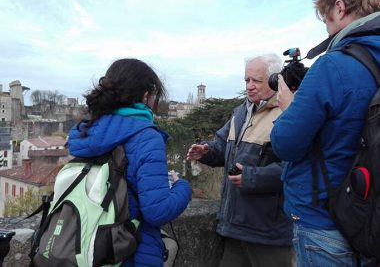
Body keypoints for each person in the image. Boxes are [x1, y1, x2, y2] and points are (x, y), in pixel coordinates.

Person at [271, 0, 380, 266]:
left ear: (340, 8)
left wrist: (289, 106)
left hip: (326, 220)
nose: (327, 31)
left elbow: (286, 144)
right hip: (372, 216)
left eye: (327, 20)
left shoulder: (334, 66)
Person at [67, 58, 192, 267]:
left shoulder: (85, 131)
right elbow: (157, 211)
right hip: (129, 252)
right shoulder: (145, 136)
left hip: (85, 247)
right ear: (146, 95)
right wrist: (182, 187)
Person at [186, 54, 294, 267]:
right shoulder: (240, 113)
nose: (250, 86)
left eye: (256, 81)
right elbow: (222, 146)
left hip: (268, 233)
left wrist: (253, 178)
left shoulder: (288, 113)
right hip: (235, 228)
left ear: (274, 80)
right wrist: (206, 152)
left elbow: (296, 167)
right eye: (247, 80)